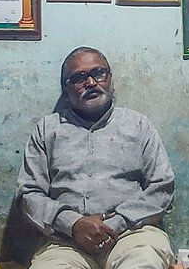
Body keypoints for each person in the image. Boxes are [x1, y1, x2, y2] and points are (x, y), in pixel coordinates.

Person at [16, 47, 175, 269]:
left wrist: (116, 222)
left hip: (132, 235)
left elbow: (162, 187)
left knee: (143, 263)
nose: (90, 83)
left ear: (109, 78)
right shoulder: (47, 130)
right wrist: (73, 224)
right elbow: (29, 195)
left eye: (98, 73)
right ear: (66, 88)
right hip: (66, 242)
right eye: (78, 78)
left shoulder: (138, 125)